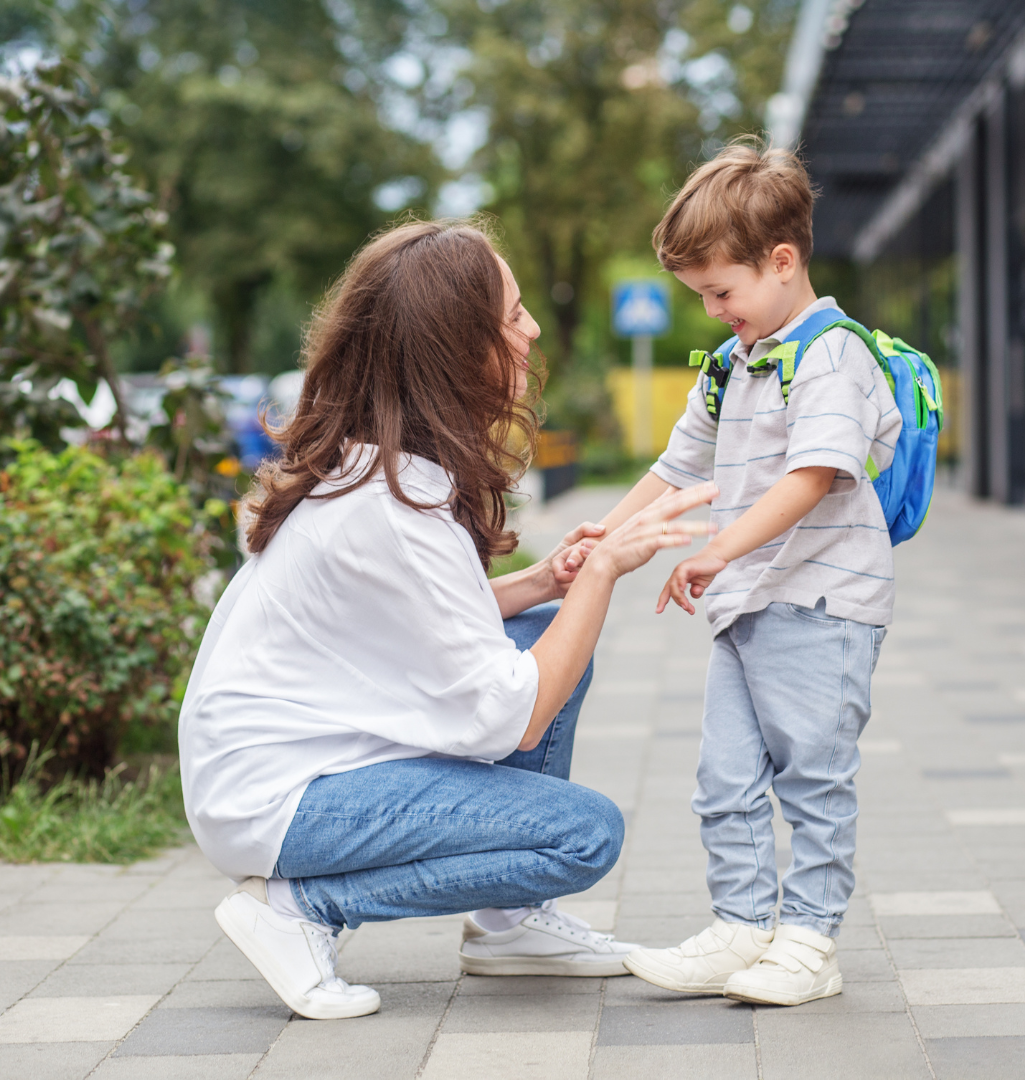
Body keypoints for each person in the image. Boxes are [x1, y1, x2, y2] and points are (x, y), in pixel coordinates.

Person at [178, 219, 716, 1021]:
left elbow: (422, 622)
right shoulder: (391, 505)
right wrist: (601, 570)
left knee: (543, 637)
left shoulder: (377, 468)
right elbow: (514, 718)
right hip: (277, 798)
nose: (533, 329)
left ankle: (509, 927)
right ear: (458, 347)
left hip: (290, 762)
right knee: (581, 836)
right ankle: (298, 909)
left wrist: (541, 581)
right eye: (515, 315)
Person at [560, 140, 899, 1006]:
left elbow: (814, 474)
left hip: (822, 602)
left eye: (722, 292)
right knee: (724, 779)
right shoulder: (735, 363)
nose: (713, 311)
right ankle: (744, 927)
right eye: (701, 295)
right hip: (749, 606)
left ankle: (810, 943)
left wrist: (716, 548)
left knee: (814, 778)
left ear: (782, 262)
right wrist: (609, 530)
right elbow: (676, 468)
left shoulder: (833, 357)